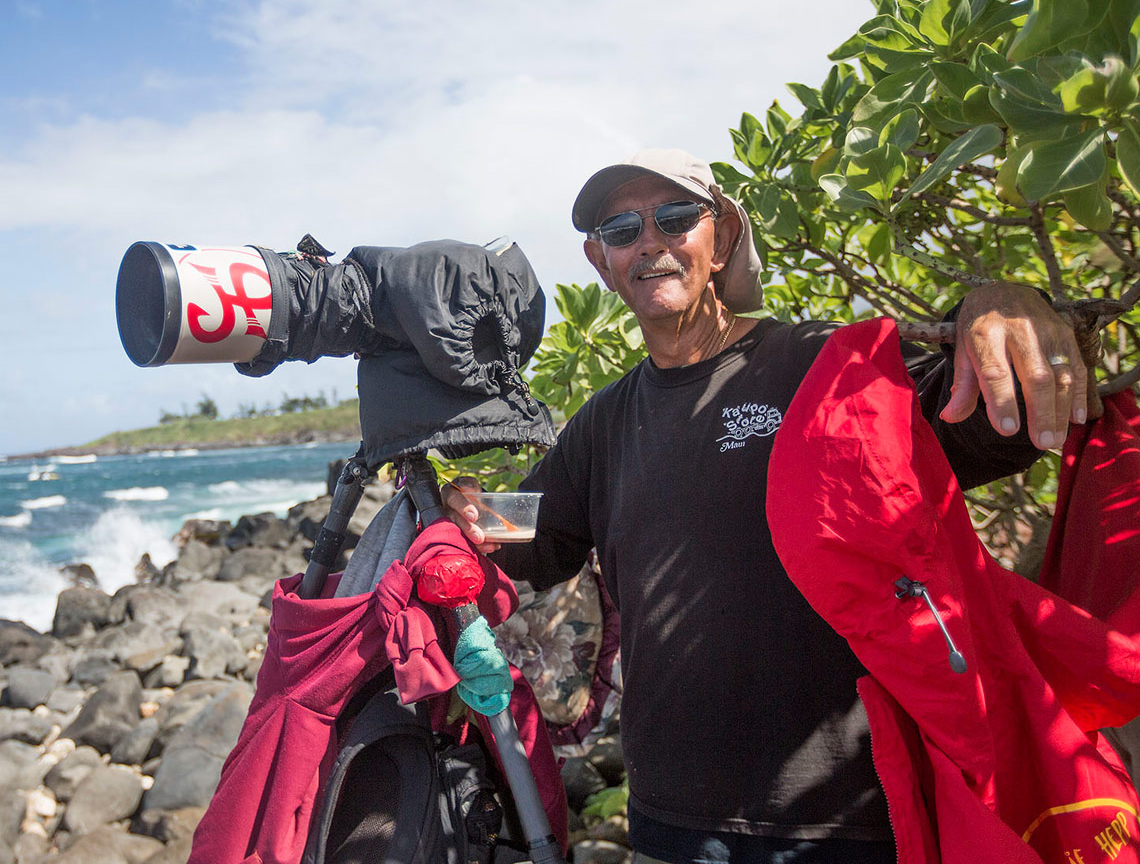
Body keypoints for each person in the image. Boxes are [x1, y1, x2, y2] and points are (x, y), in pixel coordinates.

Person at [440, 149, 1089, 864]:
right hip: (672, 819)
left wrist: (1002, 307)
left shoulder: (821, 363)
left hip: (843, 816)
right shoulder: (603, 423)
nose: (650, 241)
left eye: (676, 217)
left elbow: (987, 422)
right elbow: (535, 536)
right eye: (622, 229)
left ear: (718, 239)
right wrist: (464, 509)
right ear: (601, 262)